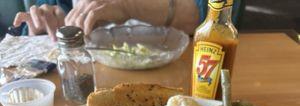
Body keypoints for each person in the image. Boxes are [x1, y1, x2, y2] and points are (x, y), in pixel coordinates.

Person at [12, 0, 243, 39]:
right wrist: (43, 25)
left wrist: (128, 6)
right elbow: (35, 29)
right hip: (84, 75)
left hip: (184, 71)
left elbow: (223, 10)